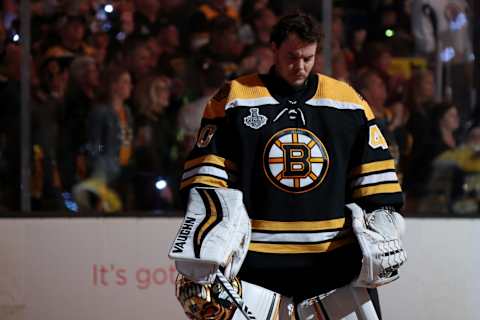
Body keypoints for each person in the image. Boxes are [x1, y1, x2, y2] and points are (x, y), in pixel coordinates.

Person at [170, 13, 405, 320]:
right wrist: (205, 244)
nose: (301, 66)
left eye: (308, 57)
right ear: (274, 49)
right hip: (255, 262)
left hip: (333, 261)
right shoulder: (235, 98)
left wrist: (383, 222)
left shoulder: (347, 102)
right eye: (292, 57)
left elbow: (375, 179)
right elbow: (208, 181)